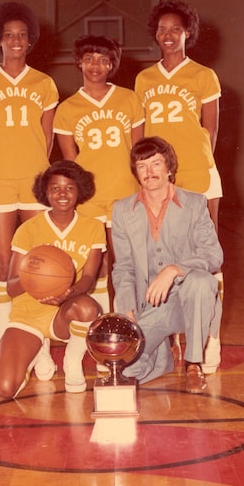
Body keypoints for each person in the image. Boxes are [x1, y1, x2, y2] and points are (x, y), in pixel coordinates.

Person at [0, 2, 59, 377]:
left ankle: (41, 346)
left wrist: (38, 172)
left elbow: (48, 135)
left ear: (30, 40)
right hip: (0, 183)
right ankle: (9, 342)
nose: (15, 41)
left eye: (22, 35)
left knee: (40, 266)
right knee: (4, 264)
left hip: (34, 183)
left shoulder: (44, 83)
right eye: (8, 35)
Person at [134, 0, 224, 369]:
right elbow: (139, 135)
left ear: (188, 32)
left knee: (207, 261)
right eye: (161, 29)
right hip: (159, 177)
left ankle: (209, 338)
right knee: (164, 256)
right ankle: (169, 335)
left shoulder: (204, 75)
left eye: (175, 29)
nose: (167, 35)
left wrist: (195, 168)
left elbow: (212, 131)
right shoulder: (144, 79)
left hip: (198, 174)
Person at [111, 137, 223, 393]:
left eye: (156, 164)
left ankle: (193, 363)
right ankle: (163, 357)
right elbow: (124, 267)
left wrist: (173, 269)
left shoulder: (194, 203)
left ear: (169, 167)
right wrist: (127, 306)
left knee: (201, 280)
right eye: (142, 166)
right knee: (126, 370)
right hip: (150, 305)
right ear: (136, 173)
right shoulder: (122, 211)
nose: (150, 172)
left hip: (191, 300)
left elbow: (213, 254)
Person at [0, 160, 106, 398]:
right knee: (4, 389)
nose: (62, 194)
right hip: (28, 313)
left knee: (87, 308)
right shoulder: (28, 229)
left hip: (63, 311)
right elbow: (11, 289)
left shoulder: (93, 227)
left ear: (79, 191)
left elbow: (88, 279)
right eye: (55, 188)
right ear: (45, 192)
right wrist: (33, 274)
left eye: (69, 188)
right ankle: (37, 350)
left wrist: (68, 293)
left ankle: (72, 361)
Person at [54, 35, 145, 313]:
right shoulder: (67, 109)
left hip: (126, 193)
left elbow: (139, 151)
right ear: (79, 62)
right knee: (99, 265)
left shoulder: (129, 99)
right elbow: (71, 163)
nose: (96, 65)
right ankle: (103, 325)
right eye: (90, 59)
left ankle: (129, 320)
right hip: (91, 198)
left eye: (104, 60)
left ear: (112, 65)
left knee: (127, 262)